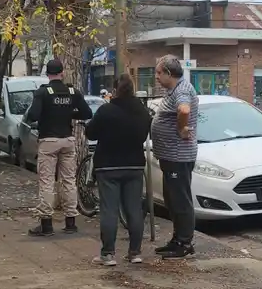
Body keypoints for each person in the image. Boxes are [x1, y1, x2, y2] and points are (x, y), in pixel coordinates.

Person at [85, 73, 150, 266]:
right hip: (134, 165)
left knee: (109, 209)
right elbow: (145, 133)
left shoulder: (106, 110)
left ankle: (108, 254)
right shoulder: (142, 111)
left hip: (108, 166)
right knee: (134, 209)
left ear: (115, 90)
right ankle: (135, 252)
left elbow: (91, 132)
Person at [25, 59, 94, 236]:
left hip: (48, 141)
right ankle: (71, 221)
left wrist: (45, 114)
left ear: (48, 74)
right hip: (68, 140)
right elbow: (87, 113)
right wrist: (70, 113)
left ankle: (46, 224)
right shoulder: (72, 92)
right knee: (69, 180)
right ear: (62, 73)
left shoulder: (43, 92)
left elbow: (32, 115)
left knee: (47, 182)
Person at [150, 55, 199, 259]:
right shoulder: (173, 90)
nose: (156, 77)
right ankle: (177, 239)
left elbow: (184, 109)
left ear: (169, 73)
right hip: (170, 156)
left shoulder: (183, 89)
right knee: (171, 199)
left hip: (179, 156)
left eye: (159, 73)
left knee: (180, 199)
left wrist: (181, 128)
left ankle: (185, 242)